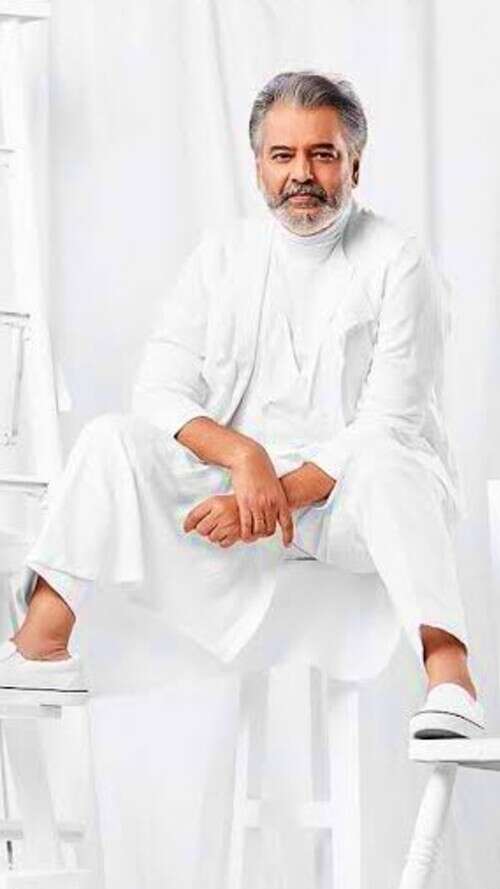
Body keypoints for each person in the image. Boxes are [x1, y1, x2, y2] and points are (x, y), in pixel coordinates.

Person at [0, 70, 485, 740]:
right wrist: (243, 457)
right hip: (239, 493)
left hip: (350, 507)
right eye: (283, 155)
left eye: (322, 154)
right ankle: (40, 647)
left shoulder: (399, 262)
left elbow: (387, 423)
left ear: (355, 164)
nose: (301, 174)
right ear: (258, 166)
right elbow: (158, 389)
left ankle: (451, 675)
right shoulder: (222, 257)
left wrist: (269, 499)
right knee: (112, 439)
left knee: (388, 460)